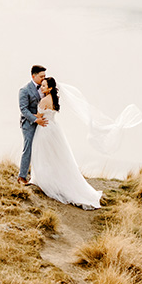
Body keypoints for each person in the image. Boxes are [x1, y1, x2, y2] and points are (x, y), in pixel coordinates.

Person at [29, 76, 103, 209]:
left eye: (44, 86)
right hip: (54, 129)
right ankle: (52, 178)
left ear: (50, 88)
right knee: (56, 157)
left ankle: (44, 180)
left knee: (43, 155)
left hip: (45, 129)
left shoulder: (44, 100)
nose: (42, 87)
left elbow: (39, 116)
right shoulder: (54, 99)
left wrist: (26, 113)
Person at [17, 65, 48, 185]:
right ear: (33, 76)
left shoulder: (45, 87)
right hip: (29, 124)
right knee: (28, 149)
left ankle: (38, 176)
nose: (43, 78)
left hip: (42, 124)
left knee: (41, 149)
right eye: (41, 76)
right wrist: (35, 120)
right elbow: (23, 110)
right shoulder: (24, 90)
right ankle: (22, 176)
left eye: (44, 76)